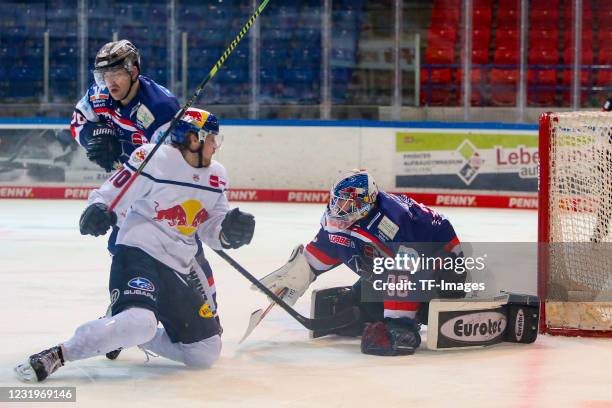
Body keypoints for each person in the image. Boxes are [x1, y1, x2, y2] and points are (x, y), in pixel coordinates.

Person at [15, 111, 255, 382]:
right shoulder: (153, 158)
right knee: (141, 322)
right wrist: (99, 209)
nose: (216, 146)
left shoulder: (217, 175)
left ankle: (125, 331)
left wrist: (229, 231)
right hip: (139, 253)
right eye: (212, 139)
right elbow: (112, 193)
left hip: (180, 267)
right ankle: (59, 354)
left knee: (205, 352)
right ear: (193, 138)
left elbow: (211, 228)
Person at [256, 170, 465, 356]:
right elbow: (325, 249)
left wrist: (398, 322)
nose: (340, 207)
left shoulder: (390, 222)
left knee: (409, 296)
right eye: (338, 200)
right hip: (396, 264)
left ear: (367, 202)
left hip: (441, 260)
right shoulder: (342, 216)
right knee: (356, 306)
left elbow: (405, 271)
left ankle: (413, 318)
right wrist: (295, 278)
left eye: (348, 203)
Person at [70, 39, 180, 171]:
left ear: (133, 73)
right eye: (105, 75)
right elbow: (78, 122)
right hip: (127, 175)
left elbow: (173, 164)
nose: (110, 83)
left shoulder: (160, 108)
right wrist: (93, 136)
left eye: (117, 73)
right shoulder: (98, 94)